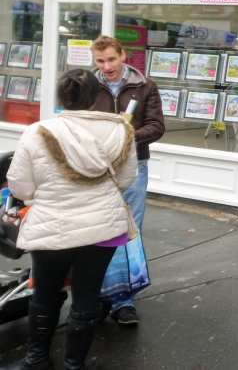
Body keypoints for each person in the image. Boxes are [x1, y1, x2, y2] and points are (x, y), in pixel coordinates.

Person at [4, 70, 138, 370]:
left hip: (51, 227)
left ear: (60, 97)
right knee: (87, 297)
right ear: (96, 98)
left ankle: (36, 359)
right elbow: (127, 178)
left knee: (45, 293)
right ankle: (74, 365)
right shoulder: (120, 131)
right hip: (103, 229)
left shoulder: (38, 132)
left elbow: (20, 187)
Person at [91, 35, 164, 325]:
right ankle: (97, 296)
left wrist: (127, 134)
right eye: (100, 60)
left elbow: (157, 127)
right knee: (96, 230)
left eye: (111, 58)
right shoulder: (88, 85)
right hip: (96, 168)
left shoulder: (145, 86)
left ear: (123, 56)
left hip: (134, 166)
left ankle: (124, 302)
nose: (106, 66)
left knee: (129, 232)